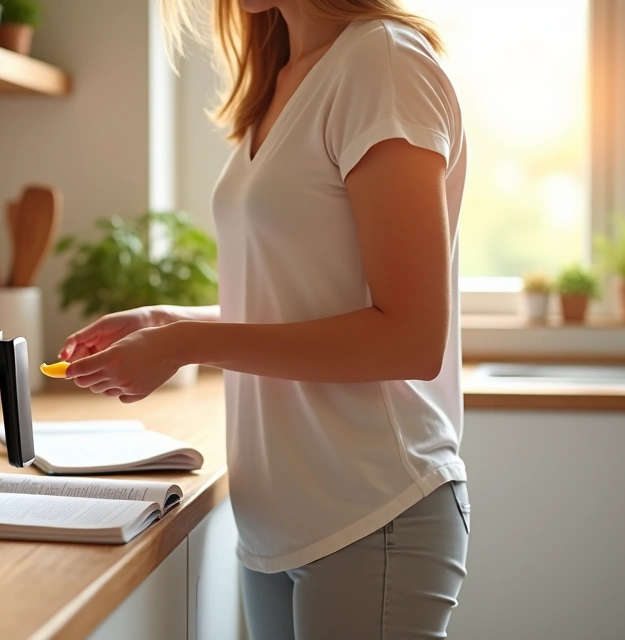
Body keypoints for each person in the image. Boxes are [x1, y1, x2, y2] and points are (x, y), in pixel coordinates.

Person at [59, 0, 470, 637]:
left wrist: (185, 343)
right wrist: (167, 322)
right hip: (278, 523)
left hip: (371, 508)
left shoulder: (382, 63)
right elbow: (303, 301)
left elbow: (410, 338)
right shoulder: (283, 75)